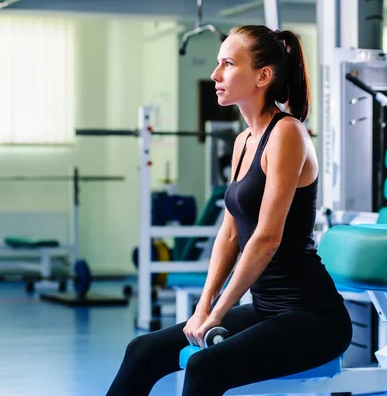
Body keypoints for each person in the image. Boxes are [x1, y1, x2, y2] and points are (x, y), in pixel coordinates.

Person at [106, 24, 352, 396]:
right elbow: (231, 233)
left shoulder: (288, 134)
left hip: (312, 317)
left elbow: (267, 238)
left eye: (227, 64)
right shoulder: (243, 141)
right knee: (144, 350)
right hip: (265, 309)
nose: (215, 74)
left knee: (206, 366)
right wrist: (203, 306)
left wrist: (219, 311)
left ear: (262, 76)